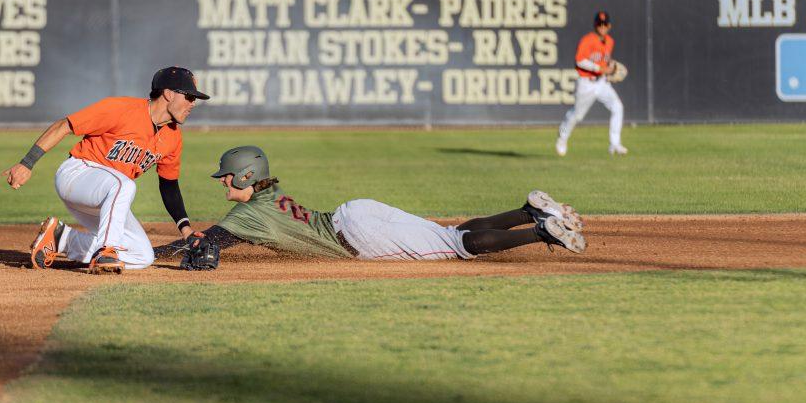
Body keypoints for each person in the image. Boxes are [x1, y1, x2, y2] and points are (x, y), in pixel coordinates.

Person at [158, 145, 587, 269]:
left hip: (360, 237)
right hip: (355, 212)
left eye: (228, 176)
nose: (224, 182)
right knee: (449, 234)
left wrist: (151, 256)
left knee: (457, 245)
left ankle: (542, 231)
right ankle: (528, 212)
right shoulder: (266, 195)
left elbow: (203, 244)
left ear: (247, 176)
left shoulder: (245, 214)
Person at [1, 66, 209, 273]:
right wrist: (27, 163)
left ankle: (62, 239)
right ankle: (106, 251)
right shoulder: (121, 109)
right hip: (78, 174)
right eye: (189, 97)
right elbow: (65, 125)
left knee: (142, 256)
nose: (193, 104)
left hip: (108, 197)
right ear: (168, 93)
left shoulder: (173, 137)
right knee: (124, 185)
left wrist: (186, 229)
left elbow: (169, 184)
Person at [556, 10, 628, 156]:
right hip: (586, 83)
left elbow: (604, 61)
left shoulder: (610, 41)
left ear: (609, 26)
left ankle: (615, 143)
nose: (602, 26)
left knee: (617, 107)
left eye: (604, 24)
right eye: (599, 23)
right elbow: (580, 60)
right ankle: (562, 137)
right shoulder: (587, 40)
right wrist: (600, 68)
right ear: (595, 25)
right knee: (576, 115)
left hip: (602, 83)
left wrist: (609, 71)